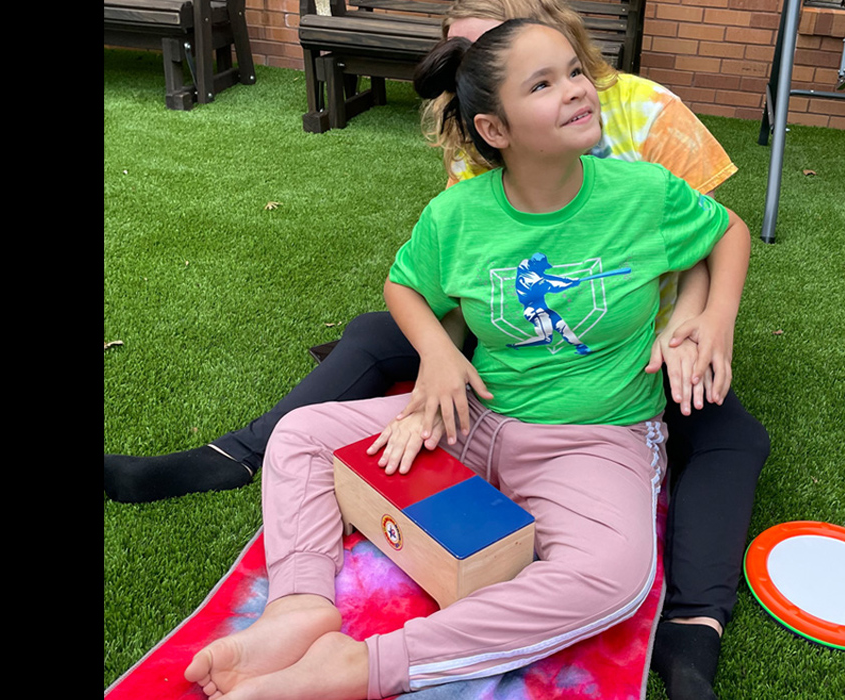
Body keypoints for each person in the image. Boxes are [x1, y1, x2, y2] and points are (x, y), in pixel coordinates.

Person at [106, 1, 769, 696]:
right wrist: (438, 354)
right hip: (472, 417)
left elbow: (727, 233)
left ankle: (362, 665)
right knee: (300, 435)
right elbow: (404, 286)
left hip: (593, 437)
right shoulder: (458, 213)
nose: (575, 88)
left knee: (614, 575)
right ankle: (300, 607)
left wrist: (715, 316)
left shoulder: (643, 193)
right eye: (541, 84)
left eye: (573, 72)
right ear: (493, 128)